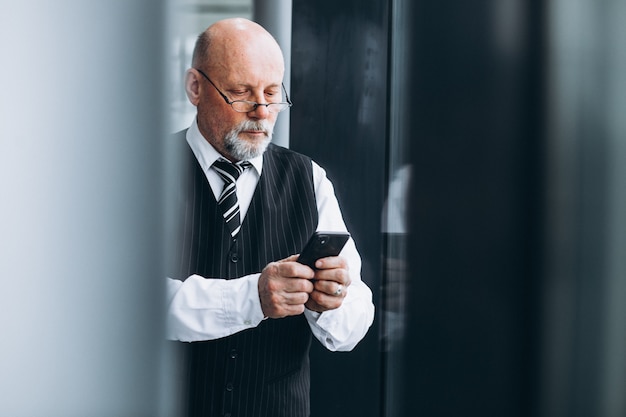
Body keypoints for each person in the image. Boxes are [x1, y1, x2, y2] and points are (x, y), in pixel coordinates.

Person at [165, 18, 375, 417]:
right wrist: (254, 298)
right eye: (241, 93)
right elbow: (131, 305)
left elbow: (352, 327)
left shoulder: (309, 179)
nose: (262, 113)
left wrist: (329, 301)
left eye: (273, 93)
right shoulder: (144, 175)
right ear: (195, 87)